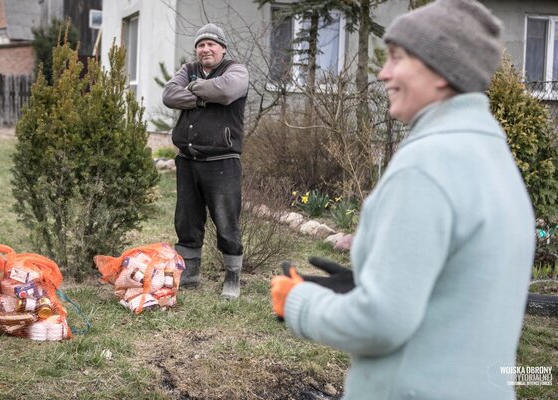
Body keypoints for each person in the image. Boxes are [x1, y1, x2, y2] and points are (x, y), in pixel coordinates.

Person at [270, 0, 536, 399]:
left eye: (397, 58)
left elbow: (381, 324)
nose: (383, 73)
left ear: (441, 72)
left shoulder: (426, 164)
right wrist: (374, 283)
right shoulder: (494, 157)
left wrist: (298, 303)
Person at [162, 23, 249, 300]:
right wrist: (202, 99)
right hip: (188, 160)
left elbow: (226, 91)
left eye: (211, 44)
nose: (205, 49)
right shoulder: (187, 69)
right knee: (187, 220)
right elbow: (169, 95)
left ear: (223, 48)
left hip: (222, 160)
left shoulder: (237, 70)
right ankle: (189, 274)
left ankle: (232, 277)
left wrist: (195, 89)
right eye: (201, 45)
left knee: (226, 222)